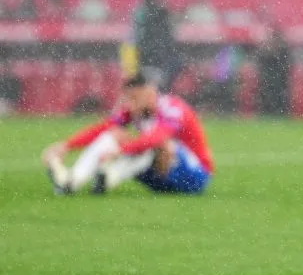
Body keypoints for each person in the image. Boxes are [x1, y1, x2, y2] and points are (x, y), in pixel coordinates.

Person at [40, 73, 214, 195]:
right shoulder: (134, 110)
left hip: (193, 177)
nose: (129, 104)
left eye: (134, 98)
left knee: (158, 144)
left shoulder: (172, 108)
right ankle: (72, 181)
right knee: (114, 135)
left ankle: (108, 177)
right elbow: (104, 128)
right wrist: (67, 145)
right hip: (159, 179)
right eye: (126, 99)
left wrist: (121, 150)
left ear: (150, 93)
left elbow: (157, 138)